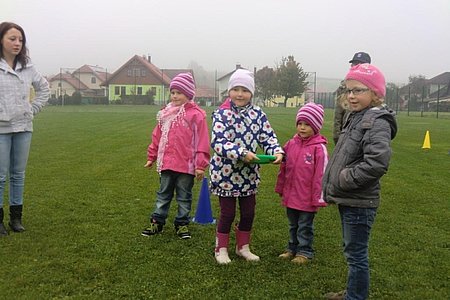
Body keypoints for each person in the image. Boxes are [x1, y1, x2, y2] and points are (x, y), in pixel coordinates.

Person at [322, 64, 397, 300]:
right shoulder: (356, 117)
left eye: (358, 91)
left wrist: (345, 178)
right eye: (348, 90)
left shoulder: (377, 122)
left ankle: (356, 297)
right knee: (351, 251)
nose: (351, 96)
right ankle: (353, 292)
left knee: (356, 254)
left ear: (375, 94)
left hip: (359, 201)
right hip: (349, 198)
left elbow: (377, 163)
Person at [210, 69, 284, 264]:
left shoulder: (258, 114)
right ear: (229, 91)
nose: (240, 94)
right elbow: (218, 142)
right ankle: (221, 248)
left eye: (244, 90)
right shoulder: (221, 114)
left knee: (249, 212)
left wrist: (276, 151)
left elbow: (268, 137)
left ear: (251, 93)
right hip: (224, 174)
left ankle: (243, 247)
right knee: (228, 213)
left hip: (248, 175)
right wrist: (242, 153)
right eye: (236, 89)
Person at [141, 72, 210, 240]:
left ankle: (182, 224)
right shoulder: (165, 114)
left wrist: (200, 165)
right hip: (166, 164)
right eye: (173, 92)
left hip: (186, 166)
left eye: (179, 92)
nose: (175, 96)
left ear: (188, 94)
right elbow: (157, 136)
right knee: (163, 194)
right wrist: (152, 156)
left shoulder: (195, 115)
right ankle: (157, 221)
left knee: (184, 196)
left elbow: (202, 141)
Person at [0, 22, 49, 236]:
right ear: (1, 39)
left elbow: (44, 89)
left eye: (20, 39)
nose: (17, 43)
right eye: (12, 39)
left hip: (23, 128)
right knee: (0, 176)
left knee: (18, 174)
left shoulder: (27, 66)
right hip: (1, 130)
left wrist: (32, 109)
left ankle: (16, 218)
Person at [275, 102, 328, 264]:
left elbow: (322, 174)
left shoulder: (319, 148)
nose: (302, 128)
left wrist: (318, 197)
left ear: (316, 126)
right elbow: (283, 164)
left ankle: (305, 251)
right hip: (291, 196)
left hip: (307, 198)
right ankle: (292, 248)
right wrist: (281, 187)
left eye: (307, 124)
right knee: (293, 225)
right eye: (300, 124)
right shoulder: (291, 144)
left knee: (304, 226)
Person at [332, 52, 371, 144]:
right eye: (354, 64)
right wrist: (337, 135)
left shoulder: (372, 88)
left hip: (364, 134)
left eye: (359, 64)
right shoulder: (344, 86)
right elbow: (338, 113)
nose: (356, 66)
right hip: (346, 133)